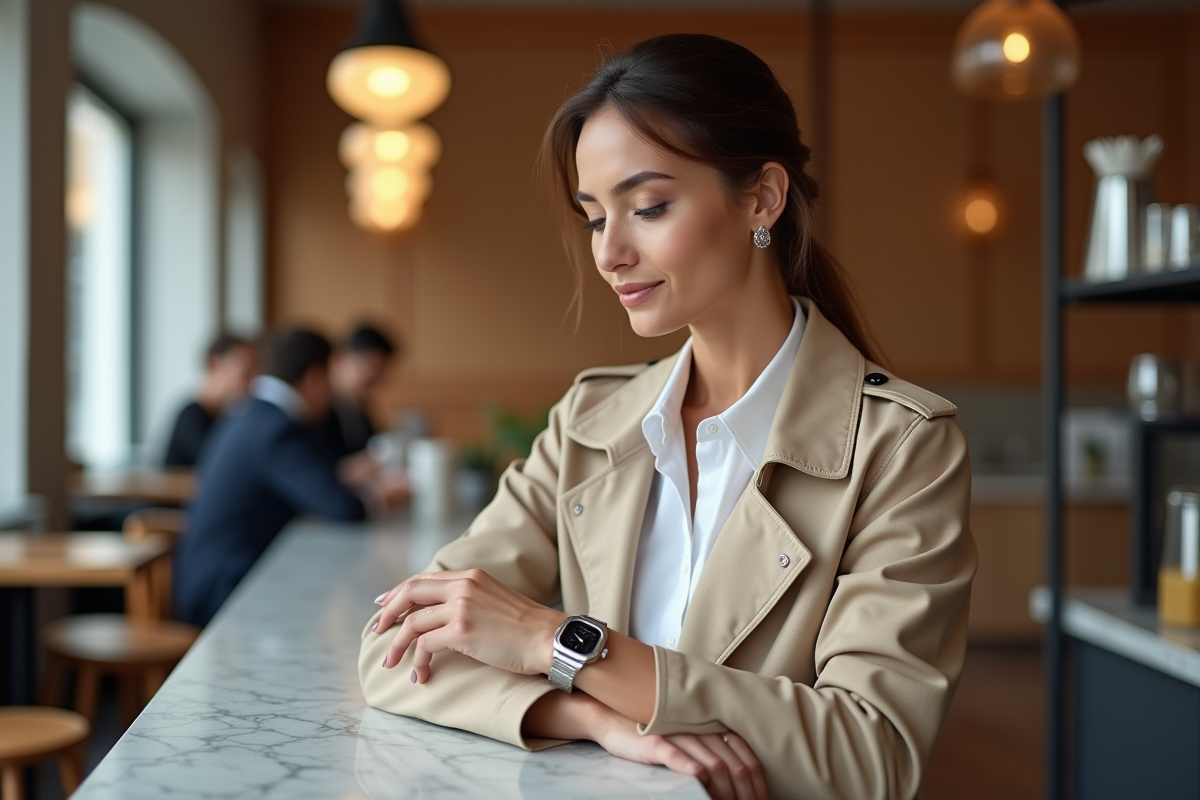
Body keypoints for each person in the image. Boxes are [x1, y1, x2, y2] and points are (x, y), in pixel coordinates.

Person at [358, 34, 976, 800]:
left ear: (763, 198)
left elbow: (868, 751)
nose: (610, 252)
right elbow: (393, 648)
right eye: (593, 217)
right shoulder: (591, 420)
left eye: (648, 206)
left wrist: (555, 641)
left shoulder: (902, 446)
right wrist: (596, 718)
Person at [174, 327, 403, 627]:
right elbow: (343, 508)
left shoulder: (254, 412)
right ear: (315, 378)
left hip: (222, 575)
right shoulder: (276, 427)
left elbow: (316, 486)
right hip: (224, 588)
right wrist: (383, 495)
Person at [163, 334, 256, 467]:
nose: (251, 383)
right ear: (214, 364)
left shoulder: (227, 417)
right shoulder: (191, 417)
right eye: (245, 373)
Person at [314, 324, 398, 463]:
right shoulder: (317, 411)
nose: (374, 390)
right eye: (369, 381)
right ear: (340, 359)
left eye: (378, 380)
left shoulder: (358, 410)